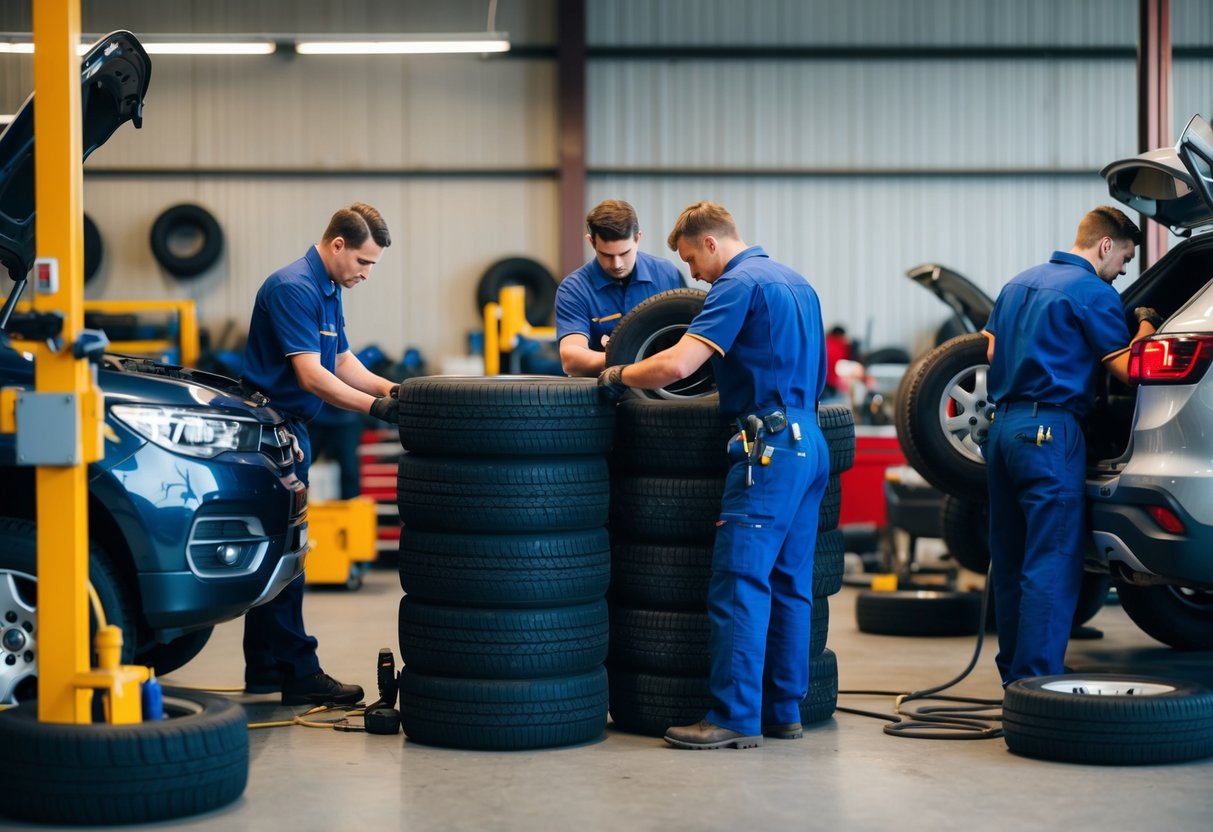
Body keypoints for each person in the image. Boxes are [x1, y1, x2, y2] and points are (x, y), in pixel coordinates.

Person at [598, 201, 830, 749]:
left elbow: (678, 365)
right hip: (810, 441)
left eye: (690, 260)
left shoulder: (737, 283)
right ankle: (782, 711)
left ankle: (733, 718)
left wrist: (618, 373)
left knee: (740, 583)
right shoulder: (798, 283)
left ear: (709, 243)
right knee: (790, 584)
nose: (694, 275)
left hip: (768, 448)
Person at [982, 205, 1159, 686]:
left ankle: (1015, 679)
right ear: (1106, 246)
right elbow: (1127, 370)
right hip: (1050, 433)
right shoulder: (1092, 292)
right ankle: (1039, 681)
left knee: (1012, 558)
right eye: (1123, 259)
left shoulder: (1017, 283)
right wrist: (1145, 324)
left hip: (1002, 432)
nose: (1121, 272)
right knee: (1052, 561)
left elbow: (993, 351)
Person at [241, 203, 401, 705]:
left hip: (291, 431)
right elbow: (312, 376)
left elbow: (343, 360)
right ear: (338, 246)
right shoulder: (294, 287)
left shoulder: (329, 288)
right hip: (272, 432)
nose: (367, 274)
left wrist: (396, 390)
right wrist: (377, 409)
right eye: (364, 262)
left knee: (279, 547)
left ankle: (266, 667)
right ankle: (298, 670)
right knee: (289, 551)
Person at [555, 199, 684, 377]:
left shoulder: (667, 275)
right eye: (606, 255)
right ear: (591, 242)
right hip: (603, 393)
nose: (617, 264)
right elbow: (571, 360)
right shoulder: (573, 289)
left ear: (638, 238)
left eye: (624, 253)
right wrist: (631, 356)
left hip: (664, 392)